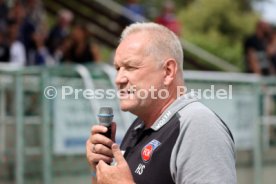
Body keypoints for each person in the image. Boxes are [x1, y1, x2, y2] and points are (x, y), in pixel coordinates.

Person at [86, 22, 236, 184]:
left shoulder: (198, 124)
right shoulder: (139, 126)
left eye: (130, 67)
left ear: (168, 71)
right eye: (117, 68)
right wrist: (99, 172)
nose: (118, 79)